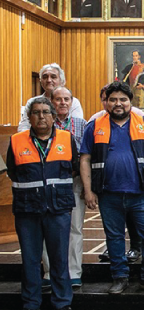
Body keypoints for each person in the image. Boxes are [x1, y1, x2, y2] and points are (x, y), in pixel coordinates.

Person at [80, 81, 144, 295]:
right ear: (107, 102)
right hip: (108, 194)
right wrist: (89, 190)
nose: (118, 104)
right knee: (114, 237)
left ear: (130, 102)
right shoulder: (94, 125)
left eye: (123, 100)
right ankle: (120, 276)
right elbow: (85, 158)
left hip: (141, 194)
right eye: (113, 100)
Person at [7, 98, 78, 310]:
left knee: (59, 259)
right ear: (29, 117)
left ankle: (63, 303)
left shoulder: (67, 139)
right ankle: (30, 305)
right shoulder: (17, 141)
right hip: (27, 211)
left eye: (46, 112)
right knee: (30, 259)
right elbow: (12, 171)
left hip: (58, 209)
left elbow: (74, 168)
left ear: (53, 116)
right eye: (36, 112)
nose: (41, 116)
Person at [88, 84, 144, 263]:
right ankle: (116, 264)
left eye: (121, 99)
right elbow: (86, 156)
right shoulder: (95, 121)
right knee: (113, 228)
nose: (114, 103)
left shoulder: (140, 118)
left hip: (135, 185)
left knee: (140, 224)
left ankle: (136, 248)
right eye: (108, 99)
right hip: (107, 185)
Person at [40, 87, 87, 290]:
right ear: (51, 102)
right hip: (49, 182)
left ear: (71, 102)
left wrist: (88, 185)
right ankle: (50, 271)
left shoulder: (81, 124)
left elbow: (86, 156)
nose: (62, 103)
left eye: (66, 99)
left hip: (74, 182)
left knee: (75, 227)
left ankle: (74, 272)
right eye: (58, 99)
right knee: (48, 228)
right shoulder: (44, 123)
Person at [19, 63, 84, 132]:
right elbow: (24, 127)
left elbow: (77, 127)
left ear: (61, 81)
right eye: (45, 77)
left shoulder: (73, 101)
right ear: (41, 81)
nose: (49, 80)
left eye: (53, 77)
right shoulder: (32, 102)